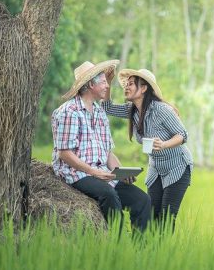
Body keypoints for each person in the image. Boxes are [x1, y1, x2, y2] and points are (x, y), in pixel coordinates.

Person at [51, 60, 151, 232]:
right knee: (109, 195)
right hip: (76, 173)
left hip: (100, 173)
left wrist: (120, 172)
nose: (107, 86)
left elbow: (107, 153)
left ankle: (138, 251)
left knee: (142, 200)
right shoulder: (69, 112)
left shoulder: (99, 112)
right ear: (91, 84)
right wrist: (93, 172)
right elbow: (65, 154)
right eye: (104, 81)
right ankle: (116, 244)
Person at [101, 68, 193, 231]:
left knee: (166, 218)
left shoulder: (161, 110)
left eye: (131, 84)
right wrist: (108, 82)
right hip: (156, 168)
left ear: (143, 88)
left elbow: (182, 135)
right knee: (150, 214)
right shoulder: (132, 111)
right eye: (126, 84)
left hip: (177, 167)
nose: (126, 87)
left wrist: (164, 144)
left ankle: (162, 253)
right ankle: (148, 253)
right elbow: (107, 108)